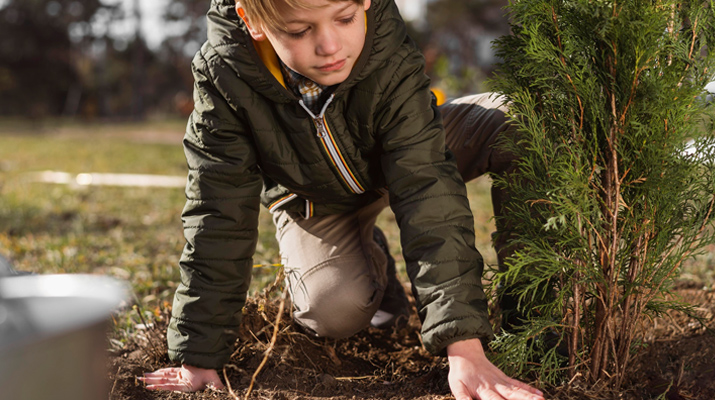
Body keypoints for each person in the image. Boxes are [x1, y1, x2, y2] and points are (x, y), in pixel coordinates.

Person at [140, 0, 545, 399]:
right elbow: (218, 212)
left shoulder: (384, 42)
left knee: (519, 123)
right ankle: (371, 259)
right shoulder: (223, 74)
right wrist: (199, 355)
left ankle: (536, 325)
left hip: (405, 152)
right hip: (315, 198)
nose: (331, 45)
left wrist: (464, 347)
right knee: (331, 310)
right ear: (252, 20)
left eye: (346, 18)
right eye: (300, 30)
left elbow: (426, 186)